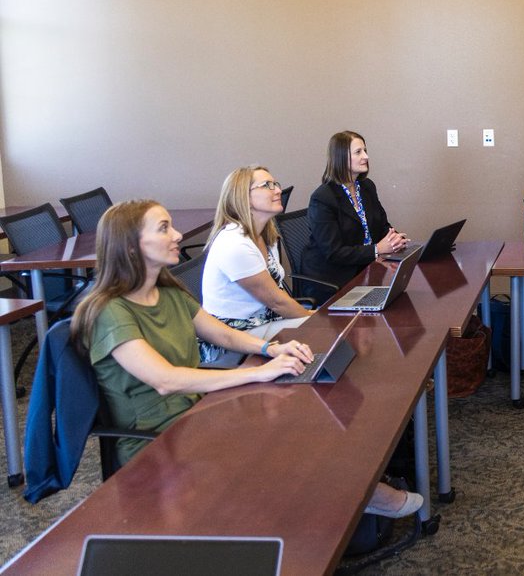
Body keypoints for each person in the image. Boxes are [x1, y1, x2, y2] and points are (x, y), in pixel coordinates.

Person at [69, 200, 422, 517]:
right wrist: (257, 373)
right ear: (130, 246)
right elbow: (166, 380)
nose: (177, 235)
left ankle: (351, 496)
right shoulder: (110, 312)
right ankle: (355, 498)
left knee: (299, 419)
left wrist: (270, 349)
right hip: (156, 440)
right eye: (164, 228)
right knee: (283, 435)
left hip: (196, 412)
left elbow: (221, 334)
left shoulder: (167, 293)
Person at [200, 166, 314, 363]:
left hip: (265, 323)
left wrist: (314, 316)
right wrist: (314, 318)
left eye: (275, 184)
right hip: (235, 339)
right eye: (267, 185)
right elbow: (276, 302)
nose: (278, 190)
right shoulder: (235, 243)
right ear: (243, 196)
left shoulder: (266, 234)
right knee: (324, 331)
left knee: (335, 324)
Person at [301, 130, 410, 302]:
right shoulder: (322, 198)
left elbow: (382, 226)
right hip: (334, 279)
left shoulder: (367, 187)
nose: (366, 156)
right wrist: (377, 249)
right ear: (341, 157)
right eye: (358, 152)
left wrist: (395, 239)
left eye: (365, 150)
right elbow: (334, 252)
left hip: (367, 268)